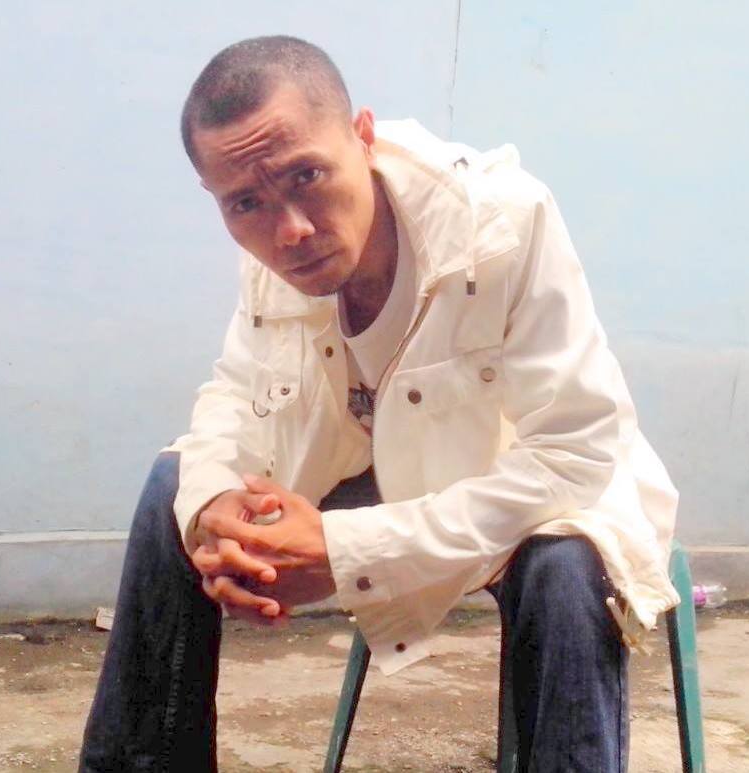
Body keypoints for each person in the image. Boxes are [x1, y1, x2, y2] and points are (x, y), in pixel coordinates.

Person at [78, 35, 680, 773]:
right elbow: (234, 393)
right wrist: (215, 510)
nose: (290, 230)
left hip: (522, 492)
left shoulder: (502, 221)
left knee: (570, 567)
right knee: (177, 487)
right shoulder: (273, 249)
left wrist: (344, 550)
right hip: (372, 474)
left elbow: (573, 455)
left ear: (363, 135)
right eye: (246, 203)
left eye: (307, 176)